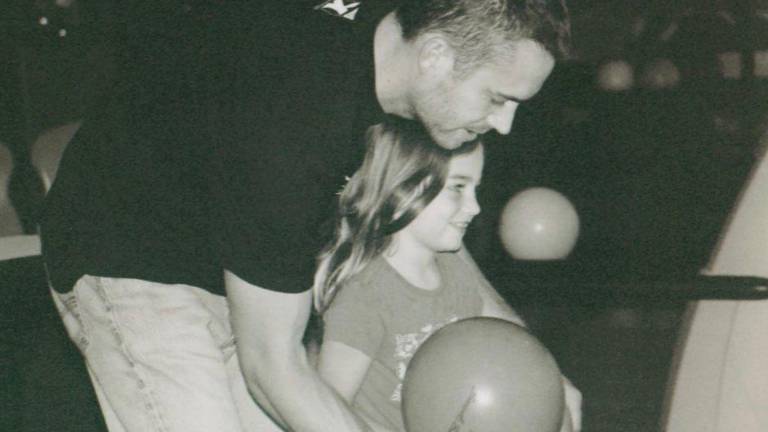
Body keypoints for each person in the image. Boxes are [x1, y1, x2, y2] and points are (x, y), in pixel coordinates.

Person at [41, 1, 571, 431]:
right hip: (128, 255)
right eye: (498, 98)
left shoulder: (395, 46)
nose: (505, 124)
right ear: (435, 55)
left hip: (226, 252)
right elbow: (271, 366)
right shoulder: (297, 123)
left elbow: (421, 231)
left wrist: (532, 365)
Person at [313, 117, 580, 432]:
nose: (475, 207)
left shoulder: (455, 272)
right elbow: (328, 406)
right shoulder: (366, 293)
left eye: (476, 188)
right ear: (406, 187)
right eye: (458, 187)